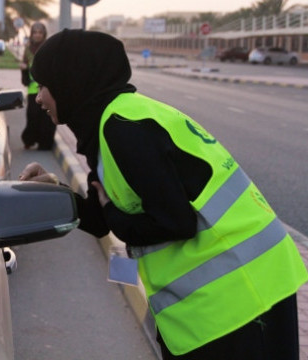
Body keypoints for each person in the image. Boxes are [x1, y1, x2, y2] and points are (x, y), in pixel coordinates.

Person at [18, 29, 308, 359]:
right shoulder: (107, 125)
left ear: (71, 81)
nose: (38, 97)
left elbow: (174, 222)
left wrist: (113, 214)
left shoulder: (124, 129)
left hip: (244, 297)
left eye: (44, 85)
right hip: (225, 301)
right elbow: (104, 217)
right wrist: (56, 190)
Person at [19, 22, 56, 150]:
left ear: (44, 34)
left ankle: (45, 143)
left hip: (47, 88)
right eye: (35, 32)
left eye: (40, 32)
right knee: (32, 115)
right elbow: (25, 64)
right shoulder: (28, 49)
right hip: (33, 89)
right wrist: (23, 67)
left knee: (46, 116)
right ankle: (29, 140)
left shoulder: (49, 47)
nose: (37, 35)